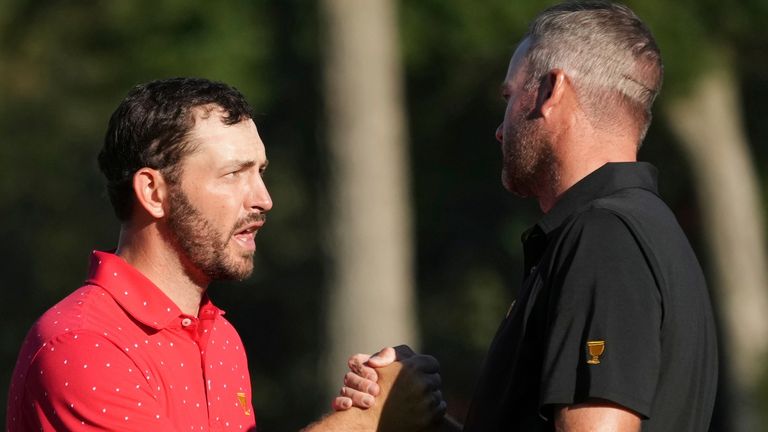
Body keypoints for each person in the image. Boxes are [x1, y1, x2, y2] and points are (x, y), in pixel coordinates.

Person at [336, 1, 719, 431]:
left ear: (551, 90)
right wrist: (417, 415)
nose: (500, 128)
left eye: (510, 95)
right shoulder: (646, 232)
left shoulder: (605, 237)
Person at [6, 77, 445, 431]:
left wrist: (400, 407)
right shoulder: (85, 345)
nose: (263, 198)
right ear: (154, 192)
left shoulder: (219, 338)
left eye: (260, 172)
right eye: (234, 174)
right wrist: (365, 421)